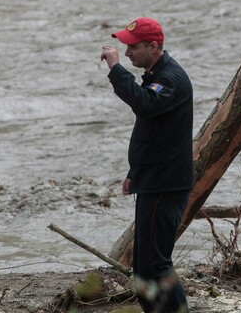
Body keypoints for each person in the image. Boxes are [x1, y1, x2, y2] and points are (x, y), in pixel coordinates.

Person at [101, 17, 193, 312]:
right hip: (153, 180)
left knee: (156, 265)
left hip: (166, 184)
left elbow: (144, 104)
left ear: (154, 46)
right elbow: (152, 132)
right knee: (142, 270)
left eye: (132, 47)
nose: (127, 53)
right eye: (125, 48)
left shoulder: (170, 79)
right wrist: (134, 173)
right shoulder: (156, 74)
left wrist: (116, 70)